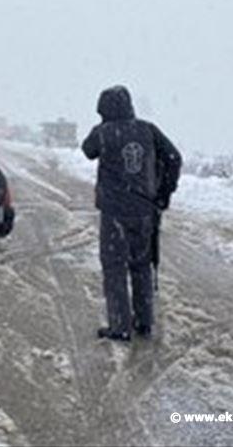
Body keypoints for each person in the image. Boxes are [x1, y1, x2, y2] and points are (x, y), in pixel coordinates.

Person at [82, 86, 182, 341]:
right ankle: (144, 321)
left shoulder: (103, 133)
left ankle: (120, 326)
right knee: (141, 266)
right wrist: (163, 194)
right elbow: (174, 157)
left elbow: (87, 149)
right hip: (145, 212)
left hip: (115, 212)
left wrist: (103, 128)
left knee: (115, 268)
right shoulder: (148, 129)